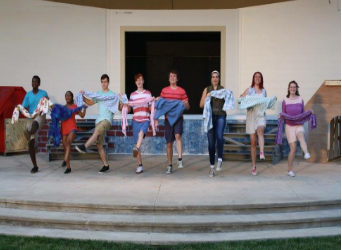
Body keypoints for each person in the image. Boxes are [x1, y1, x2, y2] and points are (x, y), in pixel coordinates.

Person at [75, 74, 118, 173]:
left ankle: (84, 147)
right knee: (99, 145)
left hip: (107, 120)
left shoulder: (112, 95)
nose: (104, 83)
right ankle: (106, 165)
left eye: (105, 82)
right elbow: (90, 102)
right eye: (102, 82)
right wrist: (83, 96)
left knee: (97, 131)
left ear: (108, 83)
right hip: (99, 120)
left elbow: (117, 105)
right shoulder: (98, 94)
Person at [240, 72, 275, 176]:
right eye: (256, 77)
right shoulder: (249, 90)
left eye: (259, 77)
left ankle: (262, 152)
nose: (257, 78)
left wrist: (273, 99)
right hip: (251, 116)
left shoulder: (264, 91)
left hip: (260, 115)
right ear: (253, 79)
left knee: (260, 131)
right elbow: (241, 100)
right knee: (253, 143)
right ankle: (254, 166)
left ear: (261, 79)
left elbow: (266, 103)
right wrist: (241, 97)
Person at [156, 70, 190, 174]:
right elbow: (160, 104)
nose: (172, 78)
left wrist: (185, 104)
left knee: (178, 136)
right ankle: (169, 165)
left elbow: (188, 107)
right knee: (169, 143)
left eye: (174, 76)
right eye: (170, 76)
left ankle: (179, 159)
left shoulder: (182, 91)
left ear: (177, 78)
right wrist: (158, 100)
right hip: (168, 119)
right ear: (168, 78)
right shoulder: (164, 91)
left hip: (178, 117)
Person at [119, 73, 153, 174]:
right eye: (137, 80)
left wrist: (155, 103)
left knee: (141, 133)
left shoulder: (148, 93)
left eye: (141, 79)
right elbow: (129, 108)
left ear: (143, 81)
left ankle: (136, 148)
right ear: (135, 82)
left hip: (145, 119)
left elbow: (150, 108)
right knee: (137, 141)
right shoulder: (132, 95)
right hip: (135, 120)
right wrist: (124, 105)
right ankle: (140, 165)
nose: (139, 81)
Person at [199, 71, 226, 177]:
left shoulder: (223, 89)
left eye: (217, 77)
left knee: (219, 136)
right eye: (213, 77)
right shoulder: (207, 89)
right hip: (210, 118)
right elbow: (201, 104)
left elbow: (228, 101)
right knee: (211, 143)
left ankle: (219, 159)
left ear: (219, 79)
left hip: (220, 115)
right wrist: (207, 97)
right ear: (211, 79)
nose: (215, 79)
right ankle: (211, 167)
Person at [281, 81, 311, 177]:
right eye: (291, 87)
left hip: (299, 124)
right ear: (288, 88)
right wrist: (280, 116)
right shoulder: (285, 100)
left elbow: (303, 113)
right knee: (293, 149)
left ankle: (306, 153)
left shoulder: (300, 99)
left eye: (294, 87)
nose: (293, 89)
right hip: (289, 126)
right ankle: (289, 170)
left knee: (301, 136)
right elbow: (284, 114)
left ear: (296, 88)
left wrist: (310, 112)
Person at [22, 75, 49, 174]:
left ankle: (27, 133)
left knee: (34, 124)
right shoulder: (28, 95)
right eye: (33, 82)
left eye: (36, 82)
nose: (34, 83)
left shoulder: (43, 93)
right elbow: (24, 107)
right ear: (31, 83)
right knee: (31, 143)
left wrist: (46, 100)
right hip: (31, 116)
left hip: (40, 116)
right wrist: (20, 109)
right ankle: (35, 166)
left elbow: (47, 104)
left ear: (39, 83)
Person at [61, 91, 86, 174]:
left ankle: (64, 161)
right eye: (66, 95)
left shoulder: (74, 106)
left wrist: (85, 108)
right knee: (65, 148)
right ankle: (68, 167)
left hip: (72, 128)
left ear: (72, 97)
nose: (67, 97)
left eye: (69, 95)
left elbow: (82, 115)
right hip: (64, 129)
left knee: (68, 143)